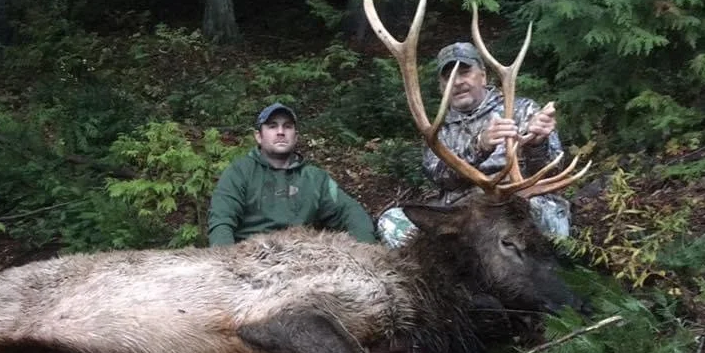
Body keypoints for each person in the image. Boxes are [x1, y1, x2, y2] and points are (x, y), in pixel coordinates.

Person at [377, 42, 571, 247]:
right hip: (465, 215)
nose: (457, 82)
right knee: (392, 221)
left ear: (483, 76)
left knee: (548, 211)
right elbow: (440, 177)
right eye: (448, 77)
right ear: (441, 87)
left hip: (513, 206)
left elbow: (551, 175)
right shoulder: (438, 130)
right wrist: (479, 146)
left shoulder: (522, 110)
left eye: (465, 72)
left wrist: (537, 143)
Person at [208, 102, 377, 246]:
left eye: (287, 126)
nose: (280, 132)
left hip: (300, 260)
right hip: (251, 258)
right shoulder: (239, 172)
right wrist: (226, 262)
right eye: (272, 126)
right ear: (259, 136)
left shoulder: (315, 179)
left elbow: (350, 212)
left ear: (295, 137)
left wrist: (367, 252)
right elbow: (221, 221)